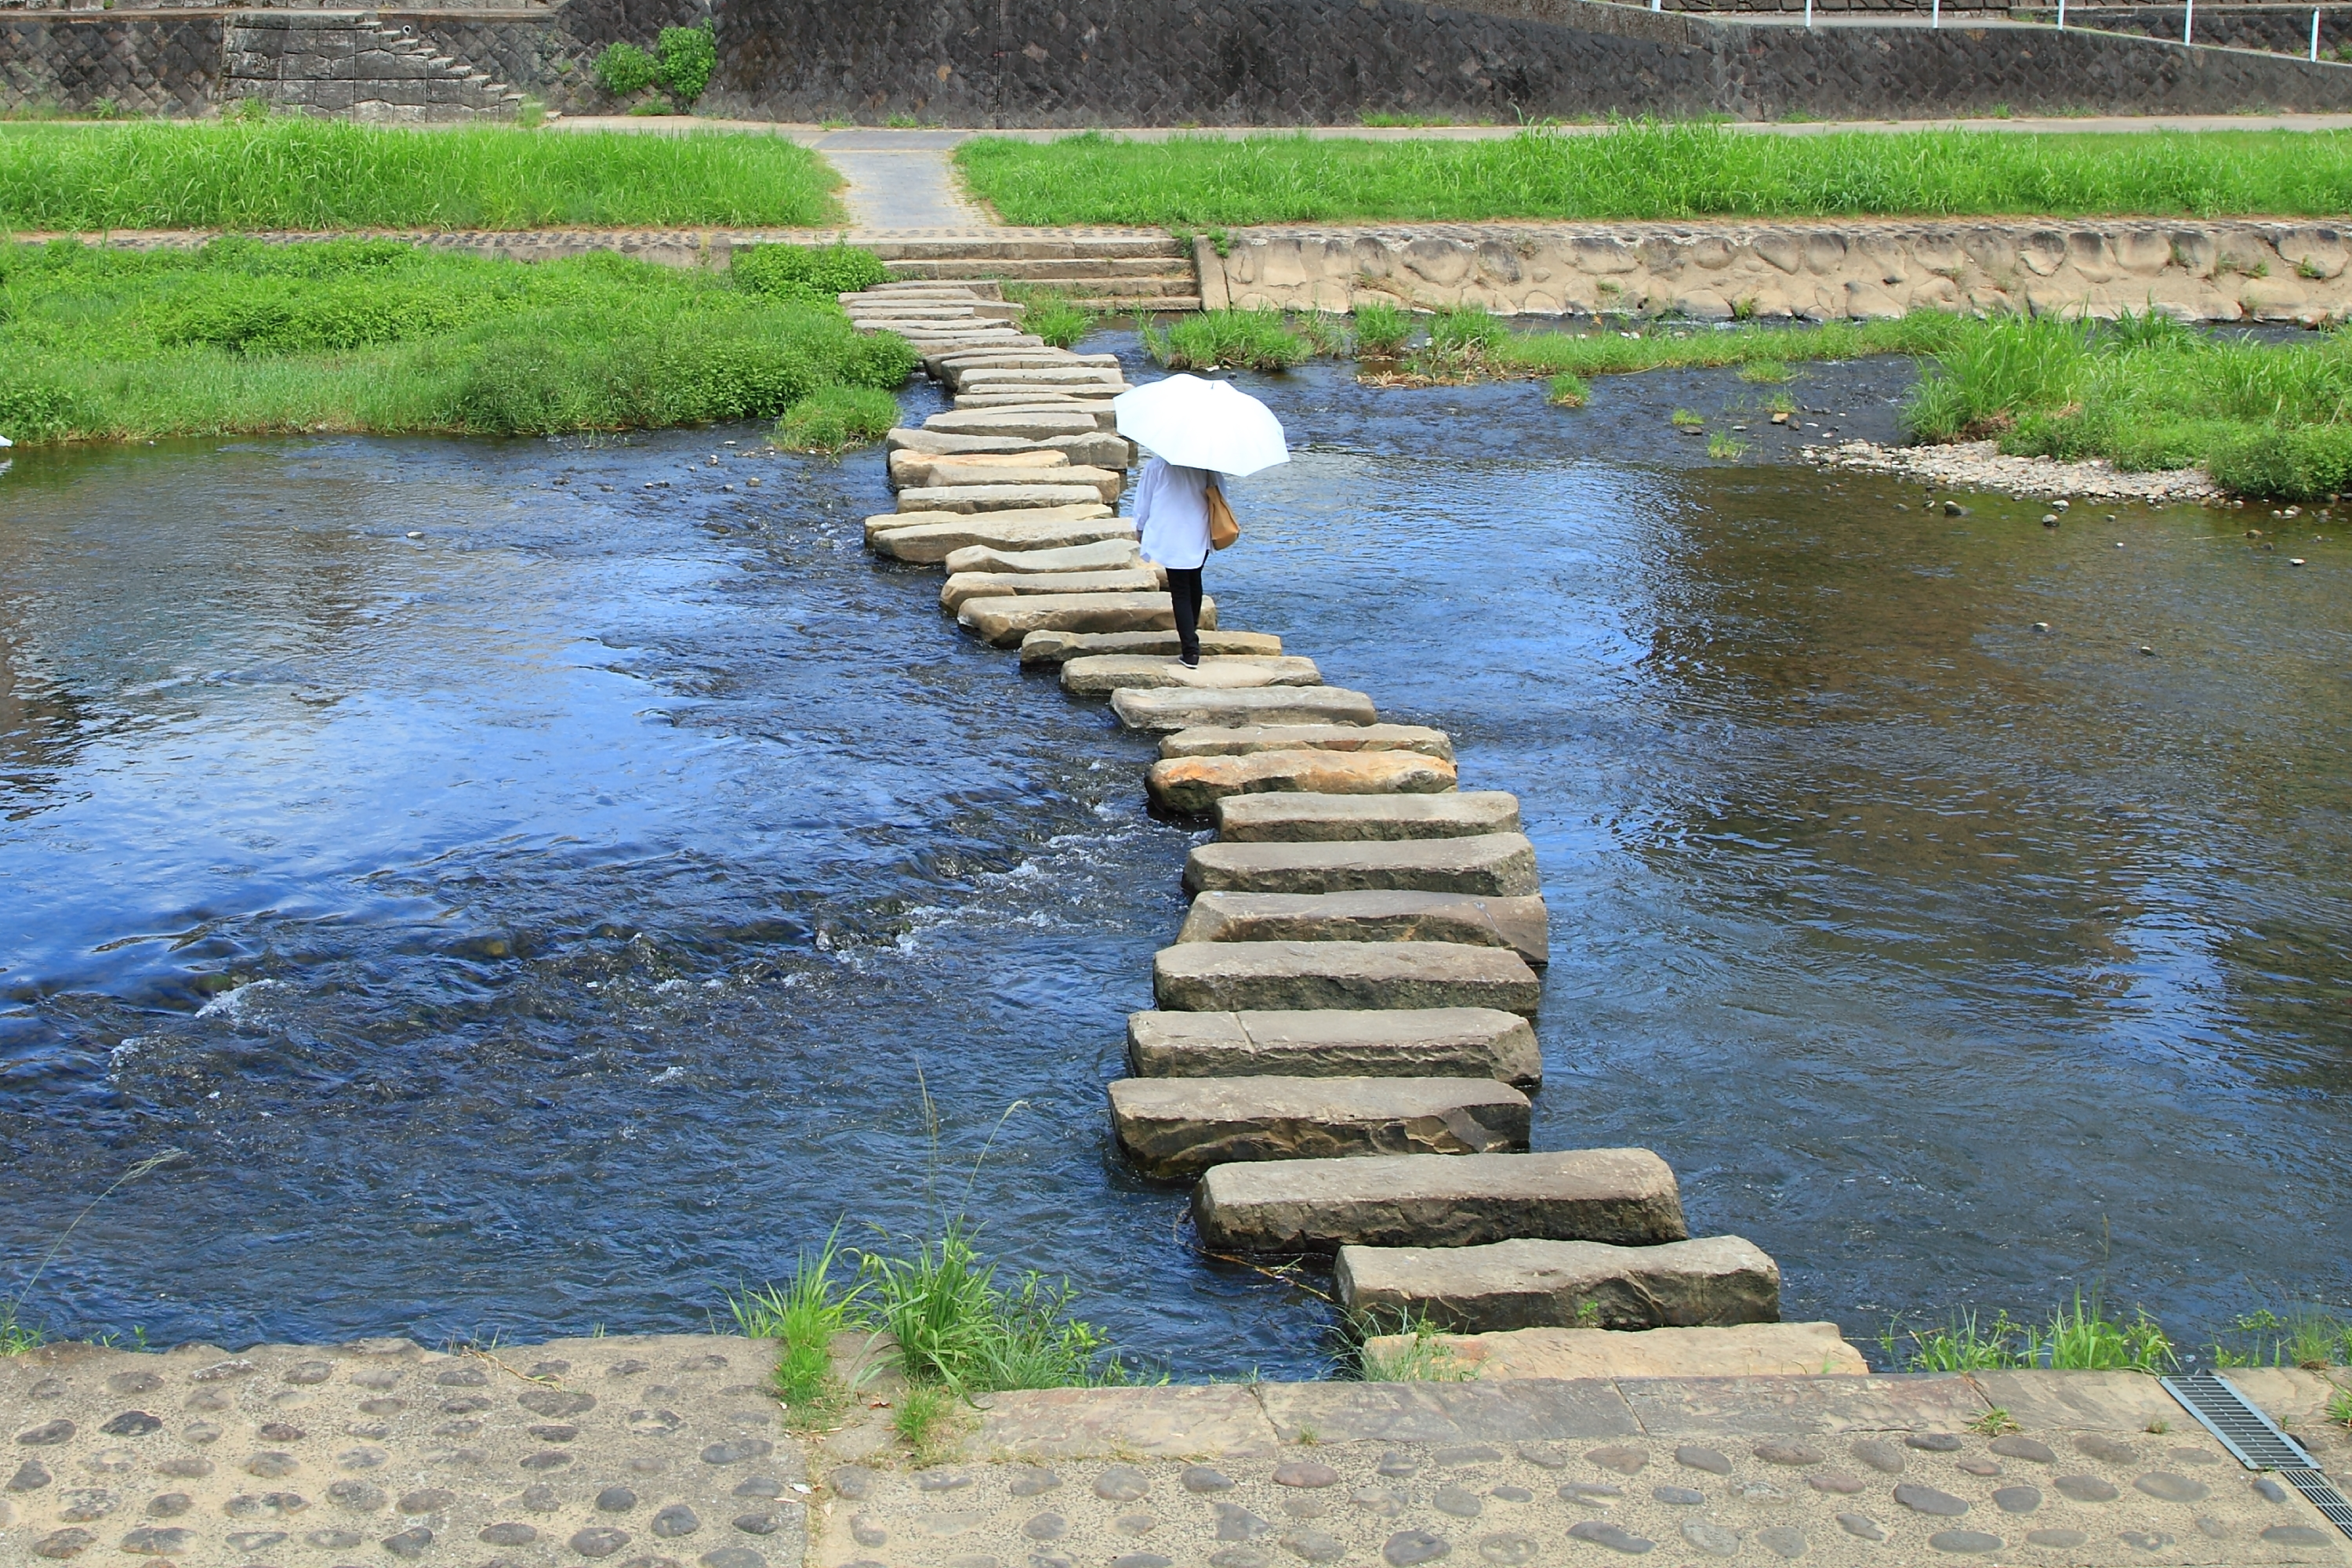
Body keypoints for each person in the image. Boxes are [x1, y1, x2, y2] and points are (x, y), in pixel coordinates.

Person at [1131, 456, 1218, 667]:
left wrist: (1140, 527)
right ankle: (1191, 637)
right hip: (1200, 530)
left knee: (1180, 591)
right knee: (1194, 581)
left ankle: (1190, 650)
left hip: (1171, 534)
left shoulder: (1157, 465)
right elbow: (1219, 493)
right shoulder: (1206, 464)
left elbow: (1144, 501)